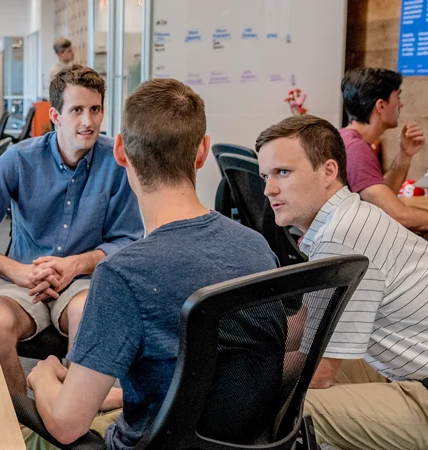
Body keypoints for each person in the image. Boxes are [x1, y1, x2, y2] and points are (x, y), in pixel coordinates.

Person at [24, 78, 287, 449]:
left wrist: (43, 375)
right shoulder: (255, 248)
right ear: (202, 152)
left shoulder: (124, 274)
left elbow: (67, 425)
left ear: (119, 151)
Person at [0, 65, 143, 394]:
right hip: (22, 280)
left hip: (82, 282)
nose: (88, 122)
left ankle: (69, 421)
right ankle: (22, 422)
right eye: (76, 110)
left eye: (95, 110)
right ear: (55, 115)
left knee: (89, 320)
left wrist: (75, 264)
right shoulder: (19, 160)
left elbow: (129, 241)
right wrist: (16, 271)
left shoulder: (117, 162)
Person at [256, 115, 428, 450]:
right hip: (424, 375)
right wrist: (230, 352)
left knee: (291, 408)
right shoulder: (345, 220)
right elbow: (307, 325)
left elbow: (319, 373)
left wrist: (222, 384)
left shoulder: (343, 237)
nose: (269, 189)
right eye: (266, 176)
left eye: (283, 172)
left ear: (329, 171)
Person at [340, 68, 428, 231]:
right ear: (381, 105)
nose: (401, 104)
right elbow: (398, 215)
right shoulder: (356, 149)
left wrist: (405, 155)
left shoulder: (347, 139)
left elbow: (382, 200)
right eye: (397, 97)